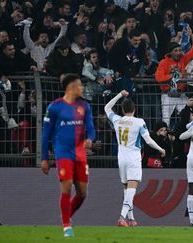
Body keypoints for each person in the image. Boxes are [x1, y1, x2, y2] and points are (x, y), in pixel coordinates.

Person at [40, 74, 95, 237]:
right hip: (63, 152)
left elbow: (91, 128)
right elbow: (45, 134)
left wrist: (90, 139)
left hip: (80, 153)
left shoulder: (84, 106)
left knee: (82, 193)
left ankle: (65, 216)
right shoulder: (55, 107)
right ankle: (66, 226)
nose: (82, 88)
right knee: (67, 186)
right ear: (71, 87)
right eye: (79, 85)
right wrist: (44, 158)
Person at [104, 90, 165, 227]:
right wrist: (160, 149)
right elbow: (148, 140)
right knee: (132, 188)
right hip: (133, 158)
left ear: (122, 109)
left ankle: (131, 219)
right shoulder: (139, 122)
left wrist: (119, 94)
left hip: (121, 158)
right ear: (134, 109)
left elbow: (107, 108)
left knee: (126, 188)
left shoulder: (117, 120)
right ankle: (122, 217)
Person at [155, 25, 193, 127]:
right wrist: (172, 76)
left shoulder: (183, 58)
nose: (179, 53)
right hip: (167, 95)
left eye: (180, 50)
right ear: (170, 52)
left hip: (180, 95)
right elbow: (158, 78)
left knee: (189, 117)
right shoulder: (164, 62)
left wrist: (191, 35)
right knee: (165, 121)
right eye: (176, 51)